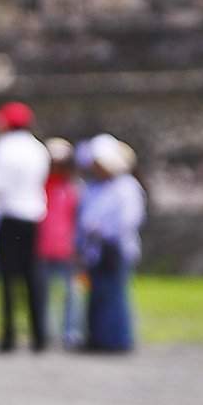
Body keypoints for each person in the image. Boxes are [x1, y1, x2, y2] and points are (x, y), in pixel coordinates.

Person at [0, 100, 51, 352]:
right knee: (33, 278)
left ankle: (9, 335)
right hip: (33, 217)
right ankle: (38, 335)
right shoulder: (38, 148)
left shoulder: (3, 148)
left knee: (8, 278)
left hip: (10, 216)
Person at [78, 134, 146, 354]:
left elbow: (129, 219)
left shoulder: (127, 187)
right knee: (96, 294)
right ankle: (97, 337)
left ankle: (117, 338)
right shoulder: (95, 187)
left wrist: (101, 229)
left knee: (115, 294)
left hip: (115, 247)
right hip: (95, 249)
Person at [38, 137, 84, 348]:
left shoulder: (74, 188)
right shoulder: (39, 186)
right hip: (42, 248)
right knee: (44, 294)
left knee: (72, 294)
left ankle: (71, 333)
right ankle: (46, 332)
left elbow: (79, 220)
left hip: (68, 249)